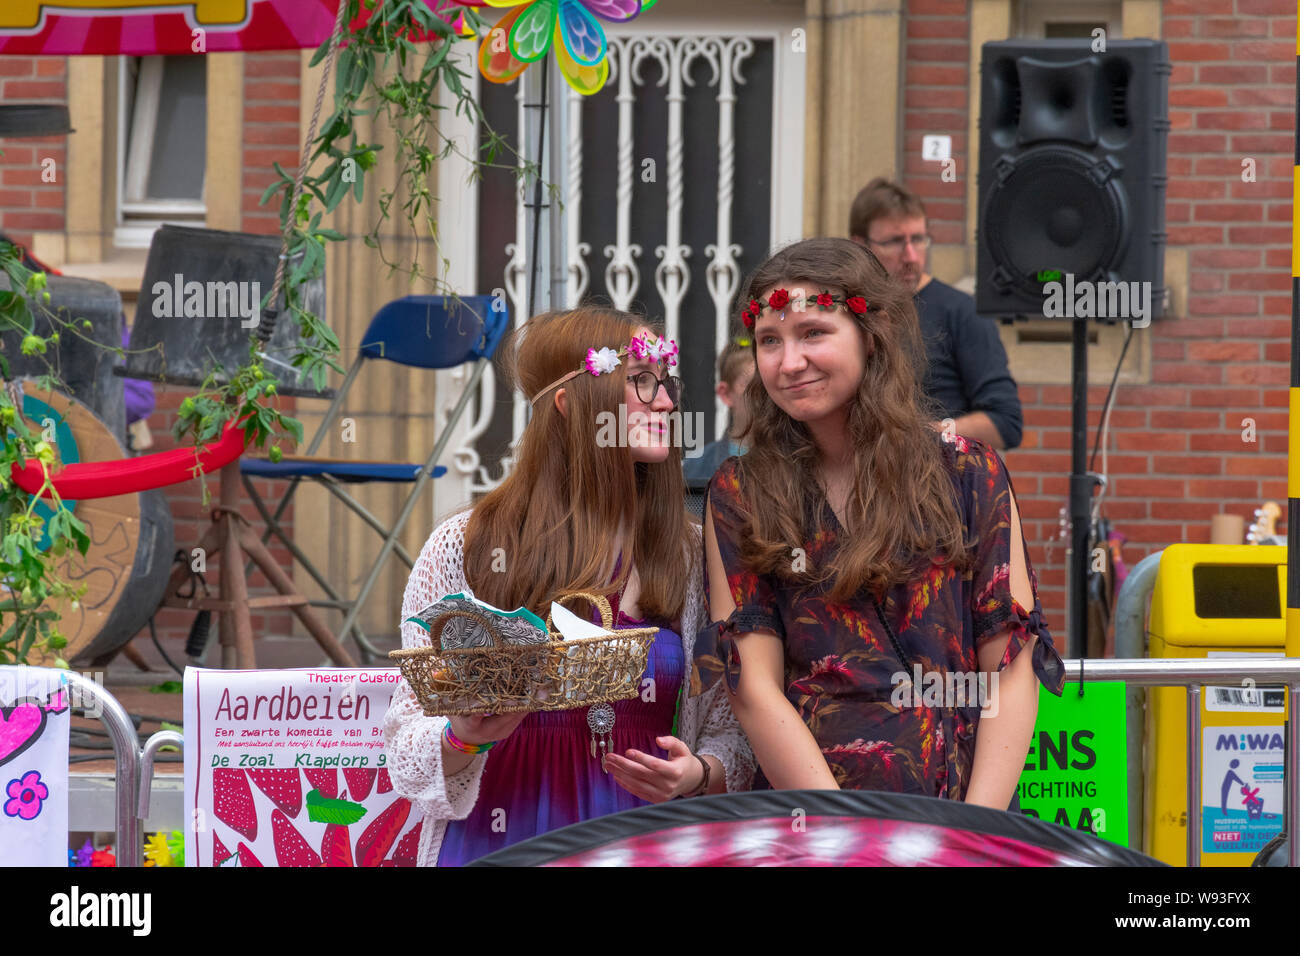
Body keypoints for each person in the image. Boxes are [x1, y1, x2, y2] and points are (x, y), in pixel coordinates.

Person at [695, 237, 1063, 808]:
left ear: (871, 335)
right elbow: (752, 684)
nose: (789, 362)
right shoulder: (741, 492)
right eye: (770, 340)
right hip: (812, 824)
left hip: (961, 812)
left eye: (813, 332)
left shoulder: (969, 473)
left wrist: (973, 832)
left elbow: (1011, 668)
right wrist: (843, 832)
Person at [384, 306, 753, 866]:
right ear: (570, 404)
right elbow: (406, 749)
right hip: (502, 842)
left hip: (643, 844)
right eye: (641, 381)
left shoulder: (691, 554)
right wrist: (461, 734)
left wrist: (698, 774)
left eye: (667, 382)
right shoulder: (466, 546)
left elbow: (733, 730)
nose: (667, 402)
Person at [848, 178, 1022, 450]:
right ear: (860, 245)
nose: (911, 256)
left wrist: (925, 433)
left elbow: (1005, 425)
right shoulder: (846, 311)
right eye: (894, 241)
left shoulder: (962, 311)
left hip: (938, 480)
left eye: (918, 239)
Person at [683, 338, 755, 488]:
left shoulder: (800, 461)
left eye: (768, 382)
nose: (765, 393)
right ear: (726, 394)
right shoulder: (696, 469)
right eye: (752, 385)